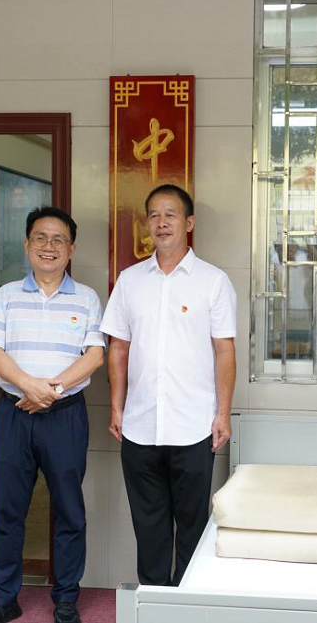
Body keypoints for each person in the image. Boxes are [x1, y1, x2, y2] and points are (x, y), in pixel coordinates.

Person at [101, 183, 237, 587]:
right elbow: (118, 349)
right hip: (140, 425)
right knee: (149, 525)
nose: (161, 222)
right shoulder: (129, 281)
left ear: (188, 223)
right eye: (154, 215)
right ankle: (153, 601)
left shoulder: (212, 281)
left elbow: (224, 351)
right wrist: (116, 407)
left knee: (193, 524)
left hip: (193, 425)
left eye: (170, 214)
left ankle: (187, 602)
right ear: (147, 224)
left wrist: (223, 414)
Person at [0, 207, 104, 623]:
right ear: (27, 245)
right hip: (15, 413)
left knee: (69, 510)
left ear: (71, 249)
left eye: (58, 239)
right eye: (41, 238)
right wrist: (29, 386)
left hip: (65, 416)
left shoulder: (86, 298)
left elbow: (94, 356)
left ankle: (65, 599)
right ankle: (3, 599)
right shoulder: (7, 295)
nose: (49, 247)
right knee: (9, 510)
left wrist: (50, 391)